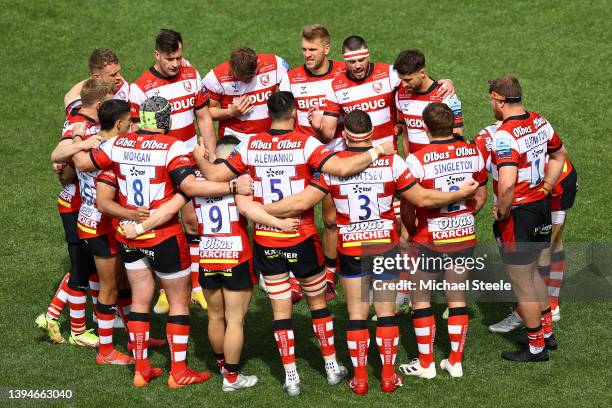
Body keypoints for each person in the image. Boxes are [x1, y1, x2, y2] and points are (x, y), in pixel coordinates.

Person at [194, 91, 398, 396]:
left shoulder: (249, 145)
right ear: (295, 111)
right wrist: (378, 151)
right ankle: (331, 367)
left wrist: (200, 158)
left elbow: (214, 176)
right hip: (301, 237)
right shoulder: (305, 143)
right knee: (317, 303)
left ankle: (291, 377)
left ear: (268, 113)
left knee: (280, 311)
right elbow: (342, 169)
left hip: (266, 239)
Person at [262, 109, 478, 394]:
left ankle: (360, 379)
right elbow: (423, 198)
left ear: (344, 135)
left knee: (356, 315)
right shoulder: (392, 162)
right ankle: (388, 378)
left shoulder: (334, 165)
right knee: (386, 313)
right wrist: (458, 195)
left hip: (352, 249)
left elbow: (301, 201)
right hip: (384, 247)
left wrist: (260, 210)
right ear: (372, 134)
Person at [75, 95, 252, 387]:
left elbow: (83, 162)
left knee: (140, 301)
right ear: (166, 120)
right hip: (164, 235)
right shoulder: (172, 147)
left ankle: (141, 369)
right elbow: (190, 186)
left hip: (130, 235)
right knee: (179, 302)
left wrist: (77, 139)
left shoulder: (118, 143)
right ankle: (178, 371)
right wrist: (231, 185)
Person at [120, 136, 299, 392]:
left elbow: (172, 210)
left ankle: (221, 364)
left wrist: (139, 228)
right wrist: (280, 223)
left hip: (207, 257)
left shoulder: (196, 183)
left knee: (215, 317)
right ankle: (233, 378)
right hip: (236, 256)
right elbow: (253, 211)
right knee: (235, 321)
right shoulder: (242, 183)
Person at [396, 103, 487, 379]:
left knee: (420, 299)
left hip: (428, 238)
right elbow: (480, 197)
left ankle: (426, 364)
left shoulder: (417, 159)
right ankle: (455, 361)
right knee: (457, 298)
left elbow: (410, 204)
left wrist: (409, 231)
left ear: (425, 128)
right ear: (452, 125)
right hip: (463, 234)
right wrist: (463, 218)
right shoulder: (474, 152)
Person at [129, 28, 216, 312]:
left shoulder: (191, 75)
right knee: (162, 225)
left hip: (189, 160)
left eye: (179, 57)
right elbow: (134, 131)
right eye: (169, 58)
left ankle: (198, 286)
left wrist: (211, 153)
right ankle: (169, 288)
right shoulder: (140, 87)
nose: (176, 64)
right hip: (158, 166)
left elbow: (203, 116)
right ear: (156, 55)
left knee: (192, 221)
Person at [488, 76, 567, 362]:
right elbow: (559, 154)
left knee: (522, 281)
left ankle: (536, 348)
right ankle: (546, 333)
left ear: (499, 100)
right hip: (541, 207)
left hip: (519, 214)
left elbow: (507, 183)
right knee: (534, 275)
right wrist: (546, 186)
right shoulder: (539, 121)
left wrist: (503, 212)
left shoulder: (504, 135)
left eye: (491, 101)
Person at [477, 125, 578, 333]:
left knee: (540, 254)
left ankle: (528, 312)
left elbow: (503, 184)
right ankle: (549, 306)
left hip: (556, 185)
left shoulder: (482, 148)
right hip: (550, 179)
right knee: (545, 248)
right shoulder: (497, 136)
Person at [37, 79, 114, 348]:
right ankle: (69, 325)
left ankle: (59, 318)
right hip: (75, 204)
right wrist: (84, 142)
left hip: (83, 203)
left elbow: (69, 93)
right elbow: (57, 153)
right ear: (100, 103)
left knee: (87, 267)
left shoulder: (81, 116)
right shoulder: (77, 124)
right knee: (82, 267)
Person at [279, 24, 347, 301]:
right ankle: (297, 277)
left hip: (334, 156)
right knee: (297, 218)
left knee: (331, 220)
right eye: (304, 50)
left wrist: (443, 84)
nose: (307, 55)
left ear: (326, 48)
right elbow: (286, 117)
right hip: (303, 159)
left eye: (312, 50)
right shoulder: (291, 78)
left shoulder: (343, 72)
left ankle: (329, 275)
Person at [203, 46, 290, 144]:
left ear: (258, 63)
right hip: (234, 141)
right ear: (231, 67)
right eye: (240, 77)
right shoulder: (215, 77)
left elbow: (292, 96)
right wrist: (230, 112)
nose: (246, 81)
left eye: (250, 77)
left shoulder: (275, 64)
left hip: (268, 139)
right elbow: (203, 113)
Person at [394, 49, 463, 154]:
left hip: (439, 163)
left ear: (422, 73)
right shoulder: (401, 96)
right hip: (416, 165)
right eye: (401, 79)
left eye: (408, 80)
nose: (403, 84)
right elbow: (406, 135)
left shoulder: (445, 95)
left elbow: (457, 134)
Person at [64, 48, 129, 114]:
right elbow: (70, 96)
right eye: (113, 75)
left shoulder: (123, 87)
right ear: (97, 77)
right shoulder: (87, 108)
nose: (119, 77)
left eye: (118, 71)